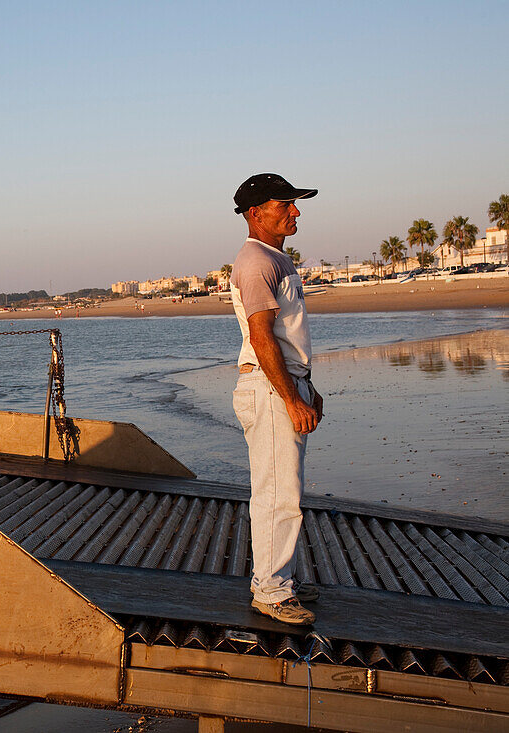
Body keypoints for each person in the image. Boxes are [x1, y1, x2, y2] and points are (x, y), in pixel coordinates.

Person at [230, 173, 324, 626]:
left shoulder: (274, 259)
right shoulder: (255, 262)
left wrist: (307, 387)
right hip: (269, 388)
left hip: (281, 383)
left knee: (284, 488)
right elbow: (261, 337)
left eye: (294, 203)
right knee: (277, 493)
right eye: (284, 203)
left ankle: (275, 575)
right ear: (255, 213)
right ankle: (271, 590)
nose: (295, 211)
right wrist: (291, 397)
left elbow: (285, 339)